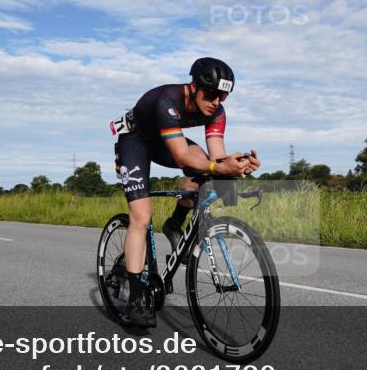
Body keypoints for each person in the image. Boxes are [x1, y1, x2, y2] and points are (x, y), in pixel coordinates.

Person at [110, 58, 260, 327]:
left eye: (223, 95)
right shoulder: (167, 101)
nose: (217, 101)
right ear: (194, 86)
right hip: (136, 142)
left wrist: (237, 167)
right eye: (212, 93)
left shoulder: (217, 112)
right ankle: (135, 298)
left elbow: (216, 158)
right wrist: (219, 167)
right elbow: (181, 157)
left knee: (205, 173)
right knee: (141, 216)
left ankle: (175, 224)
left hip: (165, 141)